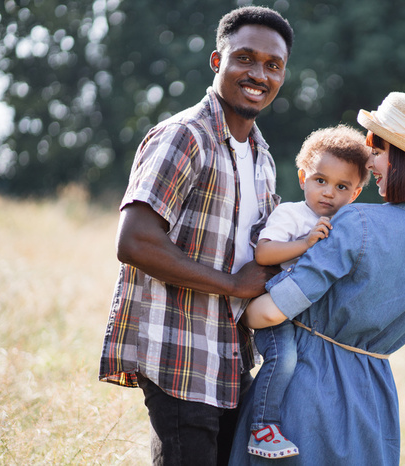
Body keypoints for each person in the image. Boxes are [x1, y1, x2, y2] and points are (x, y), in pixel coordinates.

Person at [98, 6, 294, 466]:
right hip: (181, 356)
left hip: (231, 359)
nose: (258, 74)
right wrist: (231, 285)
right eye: (244, 58)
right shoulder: (186, 136)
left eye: (273, 65)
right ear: (216, 61)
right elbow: (135, 241)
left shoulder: (261, 156)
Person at [228, 91, 405, 465]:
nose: (370, 158)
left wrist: (237, 300)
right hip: (375, 401)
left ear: (404, 158)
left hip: (305, 394)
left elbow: (270, 314)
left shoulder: (356, 222)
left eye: (378, 147)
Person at [246, 125, 370, 459]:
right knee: (283, 357)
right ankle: (262, 427)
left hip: (308, 317)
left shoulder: (347, 224)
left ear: (355, 193)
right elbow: (264, 253)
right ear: (303, 178)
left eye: (341, 186)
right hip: (275, 307)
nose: (329, 192)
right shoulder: (292, 214)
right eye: (320, 180)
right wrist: (305, 243)